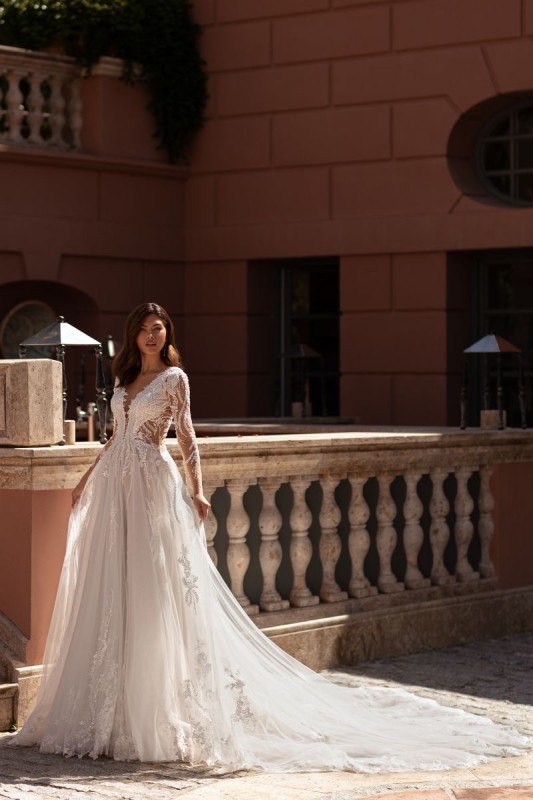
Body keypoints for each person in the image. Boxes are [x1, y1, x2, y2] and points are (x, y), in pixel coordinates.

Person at [11, 302, 529, 772]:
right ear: (132, 337)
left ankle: (155, 715)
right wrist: (82, 484)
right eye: (144, 329)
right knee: (115, 594)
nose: (152, 335)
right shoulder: (122, 382)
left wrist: (199, 492)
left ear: (167, 333)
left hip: (151, 489)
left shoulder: (175, 379)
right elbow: (114, 440)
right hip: (114, 492)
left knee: (154, 594)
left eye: (159, 327)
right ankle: (110, 709)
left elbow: (188, 439)